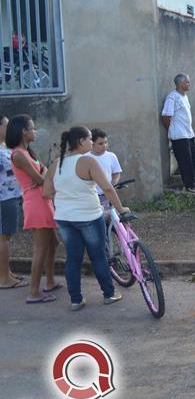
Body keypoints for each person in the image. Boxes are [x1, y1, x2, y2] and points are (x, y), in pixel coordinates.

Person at [43, 127, 130, 311]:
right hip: (89, 215)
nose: (92, 143)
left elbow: (47, 192)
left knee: (73, 258)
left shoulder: (55, 164)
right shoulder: (88, 161)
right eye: (90, 139)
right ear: (81, 141)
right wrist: (121, 209)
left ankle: (76, 300)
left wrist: (67, 197)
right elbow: (107, 188)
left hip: (65, 218)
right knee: (98, 255)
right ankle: (109, 294)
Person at [7, 115, 59, 303]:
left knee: (53, 243)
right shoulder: (19, 154)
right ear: (23, 131)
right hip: (36, 201)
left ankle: (50, 281)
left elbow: (44, 171)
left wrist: (46, 171)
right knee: (41, 248)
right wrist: (46, 171)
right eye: (32, 128)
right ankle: (34, 292)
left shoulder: (27, 152)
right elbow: (40, 179)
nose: (35, 131)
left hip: (42, 200)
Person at [162, 73, 195, 192]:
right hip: (179, 136)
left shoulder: (184, 97)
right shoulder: (172, 97)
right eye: (187, 82)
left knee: (194, 160)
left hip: (189, 134)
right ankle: (190, 186)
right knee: (185, 162)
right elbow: (165, 116)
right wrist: (172, 130)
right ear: (180, 84)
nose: (189, 84)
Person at [0, 116, 25, 289]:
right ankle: (3, 279)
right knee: (3, 238)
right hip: (4, 198)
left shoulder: (4, 147)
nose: (9, 129)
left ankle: (6, 272)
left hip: (12, 196)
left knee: (6, 237)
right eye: (6, 125)